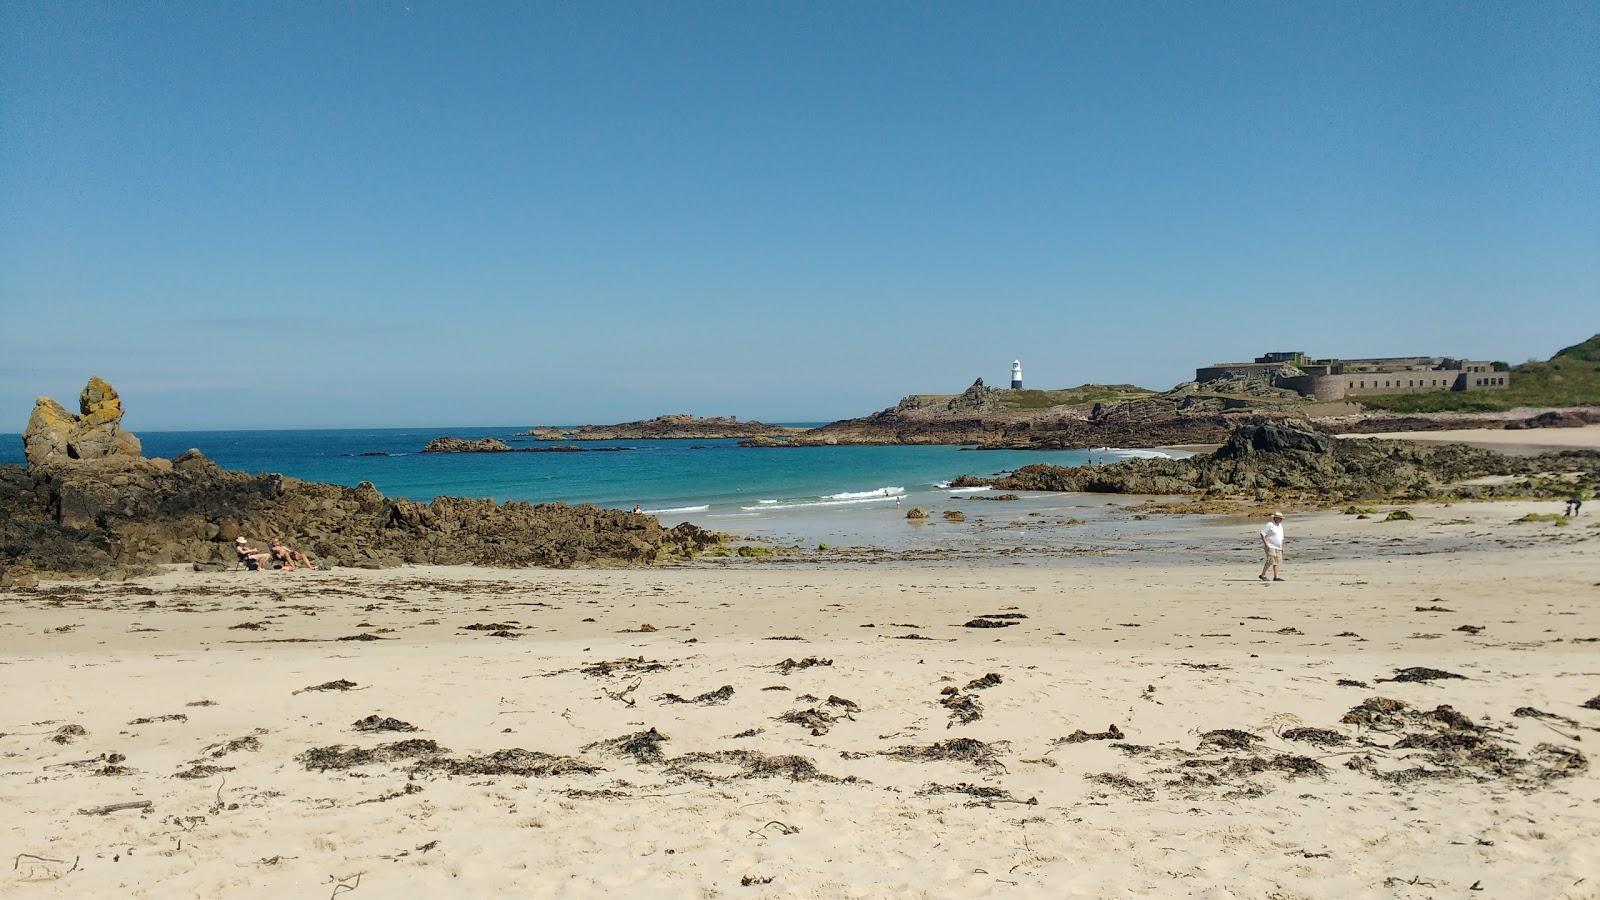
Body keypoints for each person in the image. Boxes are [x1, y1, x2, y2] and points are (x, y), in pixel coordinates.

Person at [1258, 511, 1286, 582]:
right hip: (1270, 545)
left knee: (1277, 561)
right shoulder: (1270, 524)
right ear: (1275, 518)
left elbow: (1281, 537)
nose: (1280, 519)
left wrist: (1282, 547)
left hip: (1278, 547)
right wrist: (1266, 544)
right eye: (1279, 518)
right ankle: (1263, 575)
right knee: (1270, 560)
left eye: (1281, 518)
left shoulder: (1280, 526)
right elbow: (1262, 533)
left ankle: (1276, 577)